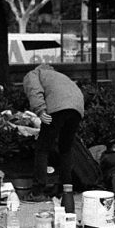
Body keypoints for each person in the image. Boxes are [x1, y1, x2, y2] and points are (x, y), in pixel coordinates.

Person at [22, 63, 84, 200]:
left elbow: (34, 90)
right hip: (77, 108)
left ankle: (37, 192)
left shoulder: (34, 74)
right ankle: (66, 189)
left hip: (57, 108)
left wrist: (40, 110)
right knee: (65, 148)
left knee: (42, 148)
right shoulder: (60, 76)